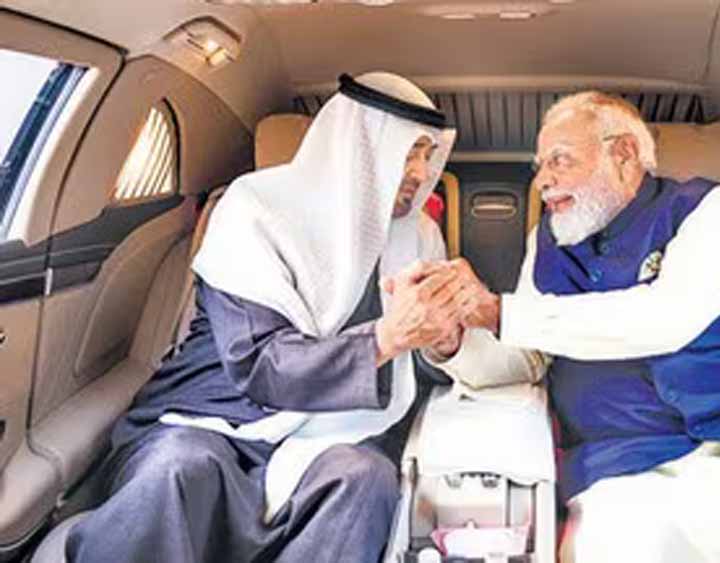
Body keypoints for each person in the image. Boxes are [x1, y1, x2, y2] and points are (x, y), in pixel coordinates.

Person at [426, 91, 720, 563]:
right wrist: (453, 343)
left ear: (622, 154)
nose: (543, 182)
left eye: (560, 160)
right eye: (541, 167)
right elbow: (527, 357)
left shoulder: (708, 207)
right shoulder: (547, 240)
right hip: (625, 457)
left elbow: (669, 317)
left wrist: (501, 312)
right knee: (613, 546)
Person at [67, 72, 471, 563]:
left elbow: (415, 373)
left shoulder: (419, 234)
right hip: (217, 416)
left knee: (366, 479)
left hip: (339, 429)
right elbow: (259, 363)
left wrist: (442, 342)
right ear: (362, 150)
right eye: (409, 152)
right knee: (177, 468)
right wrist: (386, 337)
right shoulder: (255, 209)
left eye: (428, 154)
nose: (422, 172)